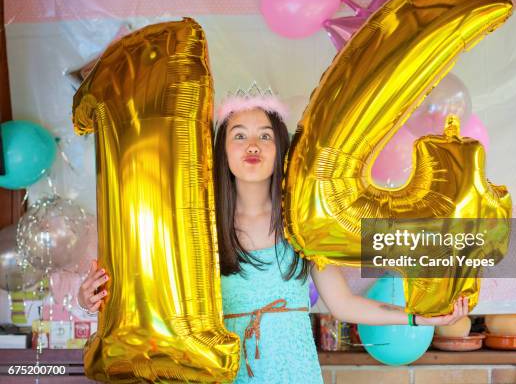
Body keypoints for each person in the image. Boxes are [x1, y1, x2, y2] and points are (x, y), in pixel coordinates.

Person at [78, 84, 468, 383]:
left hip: (295, 374)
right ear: (223, 152)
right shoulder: (199, 229)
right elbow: (151, 294)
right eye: (239, 135)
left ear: (280, 148)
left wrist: (421, 318)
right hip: (226, 375)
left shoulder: (301, 224)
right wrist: (94, 299)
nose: (252, 145)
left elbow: (345, 305)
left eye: (265, 135)